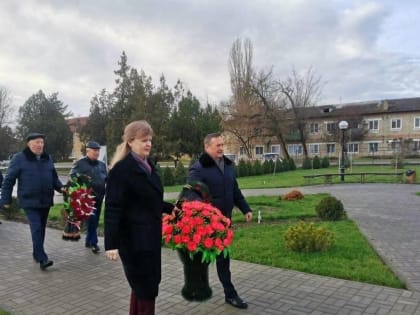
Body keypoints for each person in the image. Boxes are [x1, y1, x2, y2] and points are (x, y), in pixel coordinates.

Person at [105, 120, 176, 315]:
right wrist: (111, 243)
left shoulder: (148, 166)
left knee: (143, 287)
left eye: (150, 140)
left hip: (150, 238)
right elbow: (113, 207)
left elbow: (148, 200)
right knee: (146, 288)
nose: (148, 144)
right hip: (134, 241)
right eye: (143, 140)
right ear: (130, 142)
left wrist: (173, 209)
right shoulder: (121, 170)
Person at [189, 132, 253, 309]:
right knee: (206, 257)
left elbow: (235, 191)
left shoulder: (228, 165)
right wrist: (208, 214)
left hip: (225, 222)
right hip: (209, 224)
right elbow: (193, 195)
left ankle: (230, 295)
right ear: (207, 147)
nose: (221, 148)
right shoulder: (198, 168)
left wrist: (245, 208)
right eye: (217, 145)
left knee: (223, 259)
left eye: (222, 145)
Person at [0, 133, 63, 270]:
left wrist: (62, 189)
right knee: (36, 228)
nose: (40, 145)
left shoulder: (48, 159)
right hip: (29, 201)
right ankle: (42, 259)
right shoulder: (19, 159)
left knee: (41, 229)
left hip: (45, 200)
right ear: (29, 144)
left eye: (41, 142)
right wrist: (6, 199)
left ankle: (36, 252)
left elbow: (54, 179)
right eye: (37, 142)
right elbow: (9, 180)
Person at [69, 141, 107, 253]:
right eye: (94, 150)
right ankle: (94, 243)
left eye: (98, 151)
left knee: (94, 221)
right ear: (88, 151)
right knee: (92, 219)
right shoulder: (80, 164)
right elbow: (72, 177)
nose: (97, 153)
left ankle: (88, 240)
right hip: (86, 198)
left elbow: (106, 178)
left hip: (100, 197)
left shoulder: (101, 165)